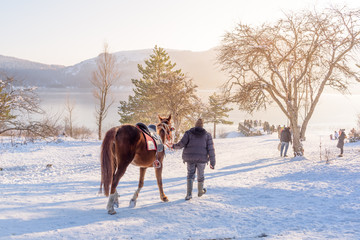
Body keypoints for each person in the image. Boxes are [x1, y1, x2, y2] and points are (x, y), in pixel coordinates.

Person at [172, 118, 216, 200]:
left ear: (195, 125)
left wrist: (173, 146)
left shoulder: (188, 133)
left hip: (190, 158)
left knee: (190, 174)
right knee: (201, 175)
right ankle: (200, 191)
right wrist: (212, 163)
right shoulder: (207, 135)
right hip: (202, 159)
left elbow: (181, 144)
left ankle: (189, 194)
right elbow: (211, 150)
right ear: (202, 125)